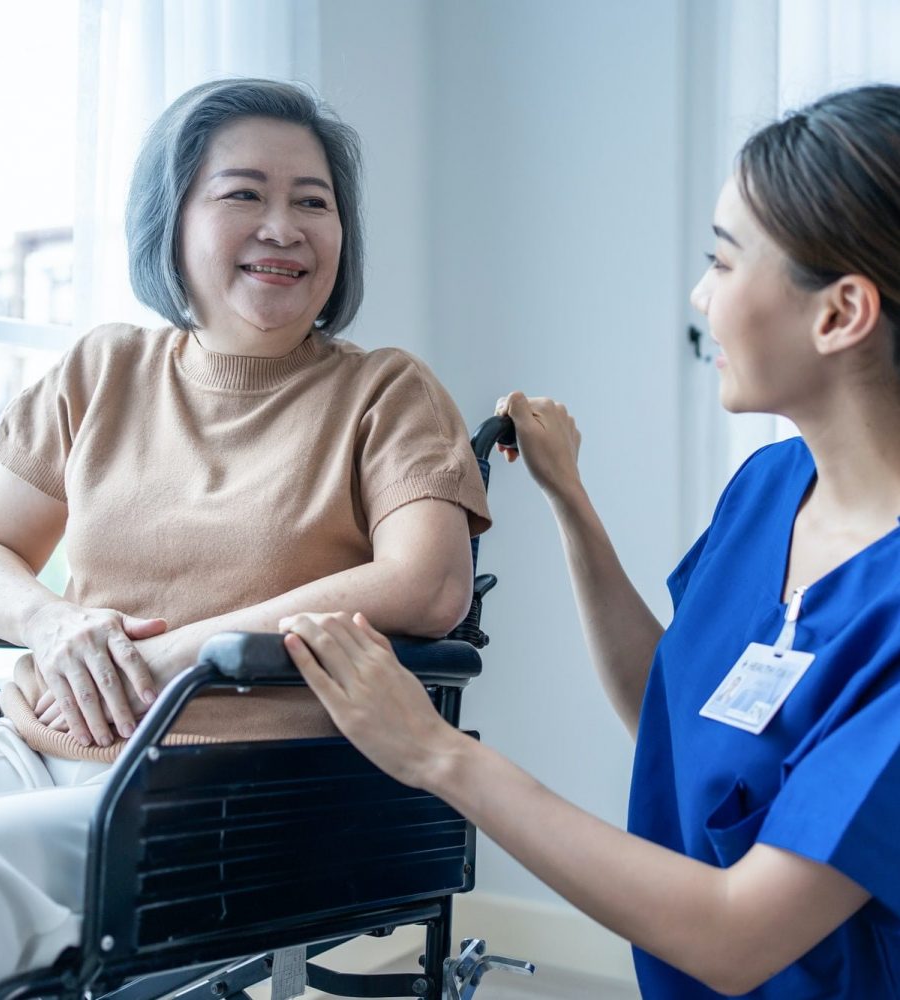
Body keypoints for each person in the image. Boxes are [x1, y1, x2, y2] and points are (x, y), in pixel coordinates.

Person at [281, 83, 900, 998]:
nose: (700, 296)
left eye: (723, 264)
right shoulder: (772, 489)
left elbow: (737, 934)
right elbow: (672, 711)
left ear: (841, 313)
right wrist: (571, 502)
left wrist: (439, 756)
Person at [0, 78, 490, 998]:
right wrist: (52, 625)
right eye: (243, 193)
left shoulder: (384, 392)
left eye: (313, 202)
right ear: (171, 220)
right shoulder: (105, 369)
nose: (283, 227)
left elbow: (429, 583)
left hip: (231, 785)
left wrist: (184, 651)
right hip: (36, 746)